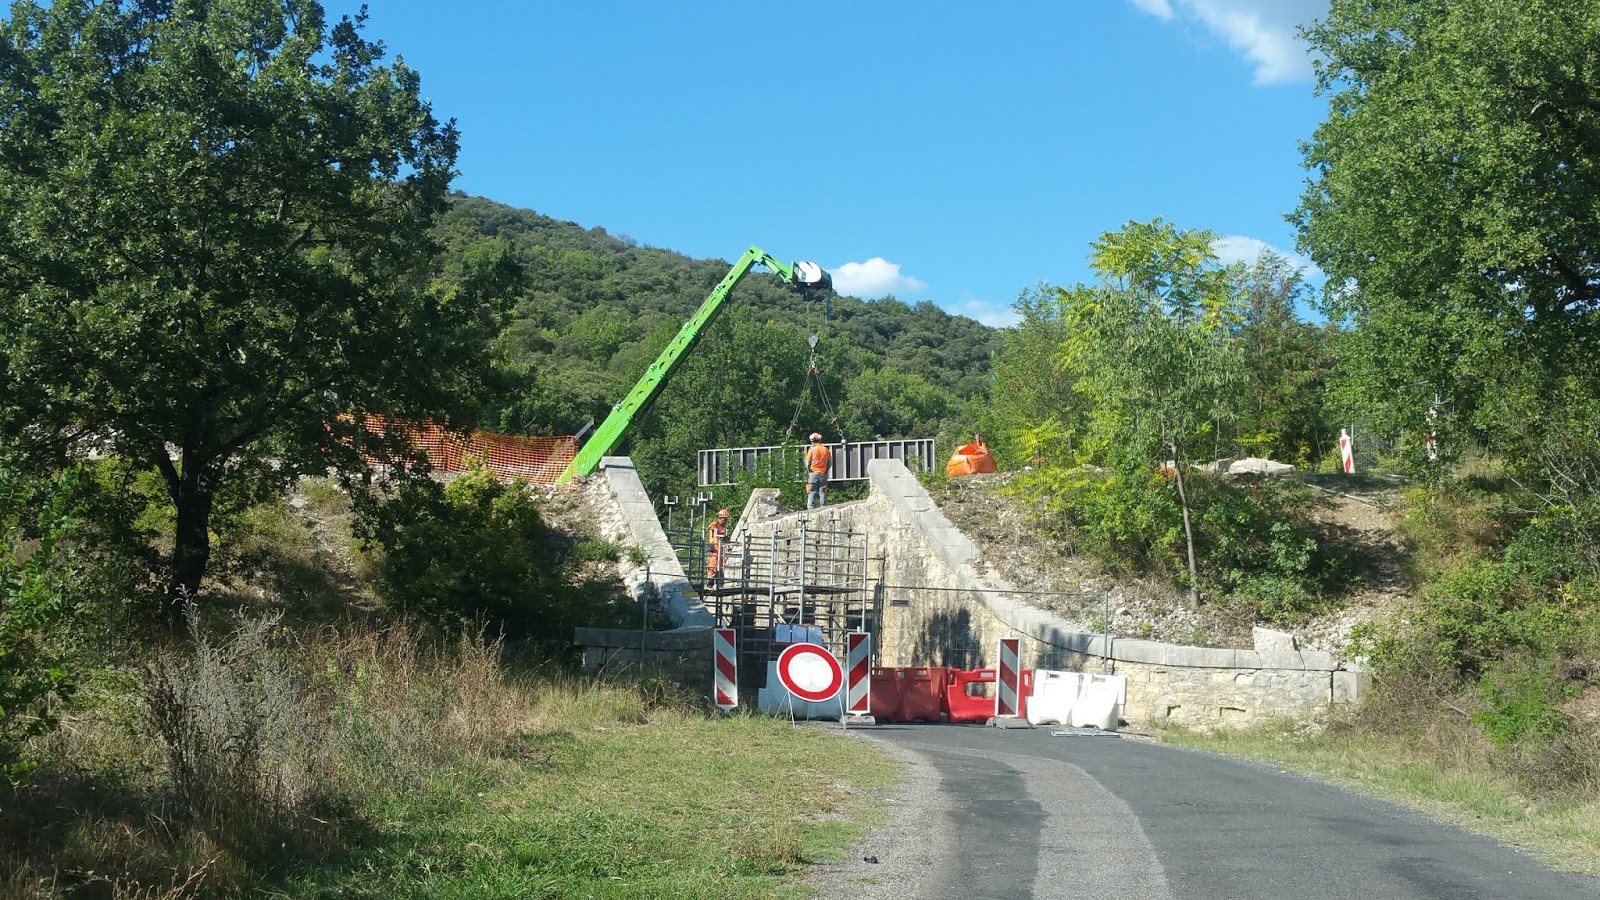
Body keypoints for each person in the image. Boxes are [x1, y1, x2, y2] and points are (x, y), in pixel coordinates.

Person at [805, 432, 833, 509]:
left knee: (811, 491)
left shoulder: (812, 449)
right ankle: (823, 507)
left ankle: (810, 508)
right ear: (820, 440)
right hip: (823, 473)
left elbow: (807, 463)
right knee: (823, 491)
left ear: (812, 441)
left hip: (813, 472)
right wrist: (825, 470)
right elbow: (829, 463)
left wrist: (809, 471)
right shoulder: (826, 449)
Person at [705, 508, 729, 585]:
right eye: (722, 518)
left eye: (725, 519)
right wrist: (720, 533)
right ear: (719, 518)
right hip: (714, 548)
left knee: (721, 565)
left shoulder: (724, 528)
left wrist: (726, 537)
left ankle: (720, 581)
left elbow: (726, 538)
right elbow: (712, 527)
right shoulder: (715, 524)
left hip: (721, 550)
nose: (723, 520)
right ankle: (710, 580)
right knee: (713, 563)